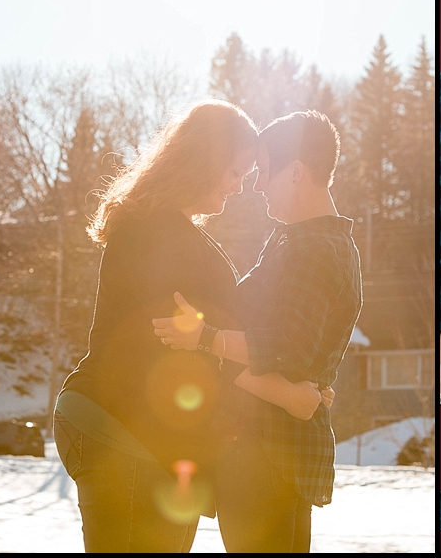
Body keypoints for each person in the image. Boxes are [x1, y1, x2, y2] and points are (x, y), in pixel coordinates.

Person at [54, 100, 329, 553]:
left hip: (150, 439)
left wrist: (298, 378)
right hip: (120, 427)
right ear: (206, 162)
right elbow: (195, 348)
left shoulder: (174, 230)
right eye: (235, 173)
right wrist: (290, 392)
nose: (240, 188)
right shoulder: (157, 234)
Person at [152, 109, 363, 553]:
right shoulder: (295, 240)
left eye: (265, 171)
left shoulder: (315, 247)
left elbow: (286, 347)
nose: (257, 184)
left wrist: (204, 339)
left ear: (296, 173)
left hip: (270, 454)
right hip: (259, 450)